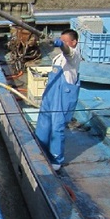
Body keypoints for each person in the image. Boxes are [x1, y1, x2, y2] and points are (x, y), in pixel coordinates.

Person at [35, 29, 81, 171]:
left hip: (62, 96)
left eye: (65, 41)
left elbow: (67, 51)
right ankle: (39, 151)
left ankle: (56, 159)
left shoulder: (74, 56)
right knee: (43, 124)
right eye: (61, 40)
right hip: (50, 95)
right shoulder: (58, 58)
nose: (62, 43)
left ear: (74, 42)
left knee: (57, 127)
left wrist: (62, 44)